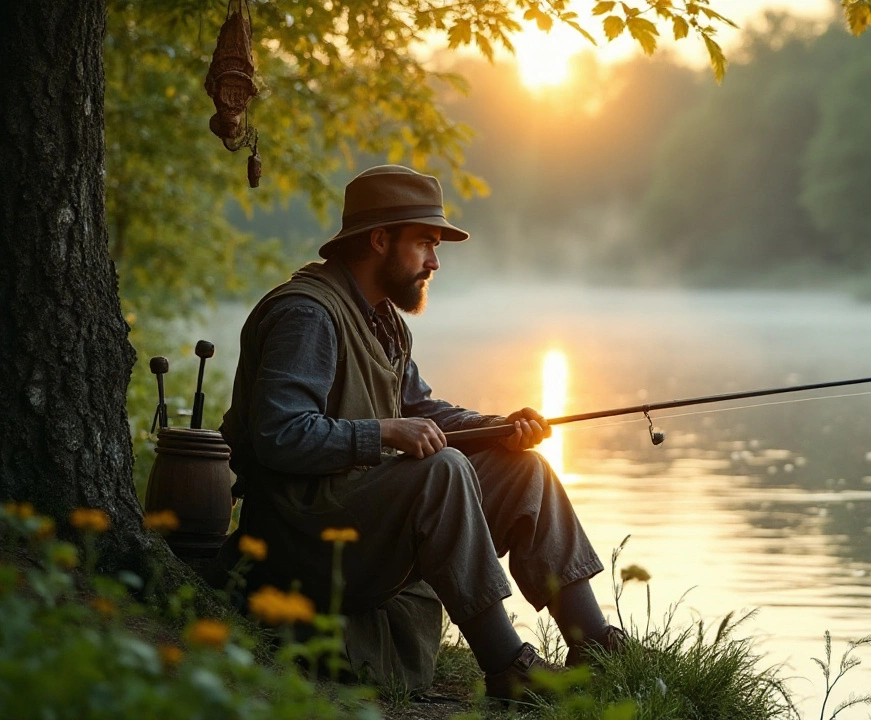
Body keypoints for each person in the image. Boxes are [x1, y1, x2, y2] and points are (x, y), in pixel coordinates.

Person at [219, 164, 625, 701]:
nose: (434, 262)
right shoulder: (307, 315)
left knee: (520, 469)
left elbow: (423, 411)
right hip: (301, 537)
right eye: (425, 243)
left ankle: (596, 649)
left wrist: (498, 429)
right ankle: (510, 668)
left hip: (356, 516)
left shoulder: (383, 319)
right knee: (443, 472)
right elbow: (281, 436)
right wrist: (385, 433)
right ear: (380, 240)